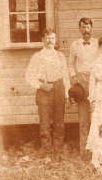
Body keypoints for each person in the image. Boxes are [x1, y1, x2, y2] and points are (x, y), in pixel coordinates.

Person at [25, 28, 70, 159]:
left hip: (58, 88)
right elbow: (28, 76)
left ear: (55, 40)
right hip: (43, 90)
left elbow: (65, 76)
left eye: (52, 38)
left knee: (59, 121)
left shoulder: (60, 56)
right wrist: (41, 85)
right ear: (42, 40)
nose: (50, 41)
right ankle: (46, 150)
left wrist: (66, 93)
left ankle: (58, 151)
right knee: (44, 122)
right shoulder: (37, 57)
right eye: (47, 38)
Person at [68, 17, 99, 158]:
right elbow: (70, 64)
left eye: (88, 27)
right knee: (83, 118)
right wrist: (74, 77)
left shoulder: (99, 43)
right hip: (81, 81)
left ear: (92, 28)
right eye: (82, 27)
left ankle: (98, 152)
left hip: (95, 80)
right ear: (79, 29)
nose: (85, 30)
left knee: (97, 116)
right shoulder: (75, 45)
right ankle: (84, 152)